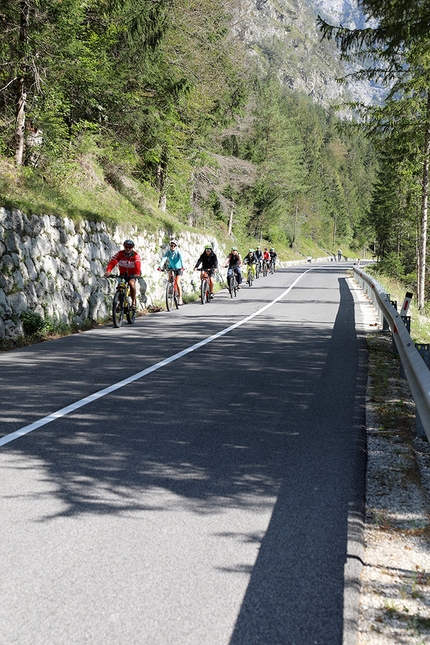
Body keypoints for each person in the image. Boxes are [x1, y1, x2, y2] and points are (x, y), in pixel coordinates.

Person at [105, 239, 141, 310]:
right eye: (126, 247)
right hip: (123, 274)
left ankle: (133, 302)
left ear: (132, 248)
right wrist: (108, 271)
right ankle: (120, 303)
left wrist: (137, 273)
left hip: (132, 275)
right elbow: (113, 262)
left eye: (130, 247)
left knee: (131, 283)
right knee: (120, 287)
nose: (127, 249)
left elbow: (138, 265)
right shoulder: (120, 254)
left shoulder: (135, 255)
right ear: (124, 247)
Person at [158, 239, 184, 305]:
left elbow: (181, 259)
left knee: (178, 282)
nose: (172, 247)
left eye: (174, 246)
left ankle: (180, 298)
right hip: (171, 267)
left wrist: (183, 266)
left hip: (179, 268)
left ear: (176, 246)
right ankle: (170, 290)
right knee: (170, 280)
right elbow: (164, 258)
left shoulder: (178, 252)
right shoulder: (169, 252)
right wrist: (160, 266)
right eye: (171, 245)